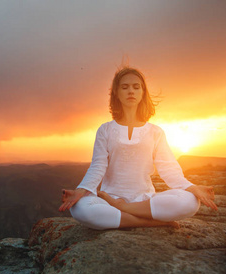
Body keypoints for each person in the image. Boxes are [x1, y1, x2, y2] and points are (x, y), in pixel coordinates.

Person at [59, 66, 217, 230]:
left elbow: (169, 169)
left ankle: (124, 209)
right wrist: (81, 190)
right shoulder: (105, 130)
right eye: (125, 87)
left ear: (143, 93)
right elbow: (98, 165)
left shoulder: (155, 132)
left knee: (191, 202)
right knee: (79, 208)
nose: (131, 91)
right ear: (116, 93)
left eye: (136, 87)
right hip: (108, 198)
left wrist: (192, 188)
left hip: (145, 200)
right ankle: (151, 222)